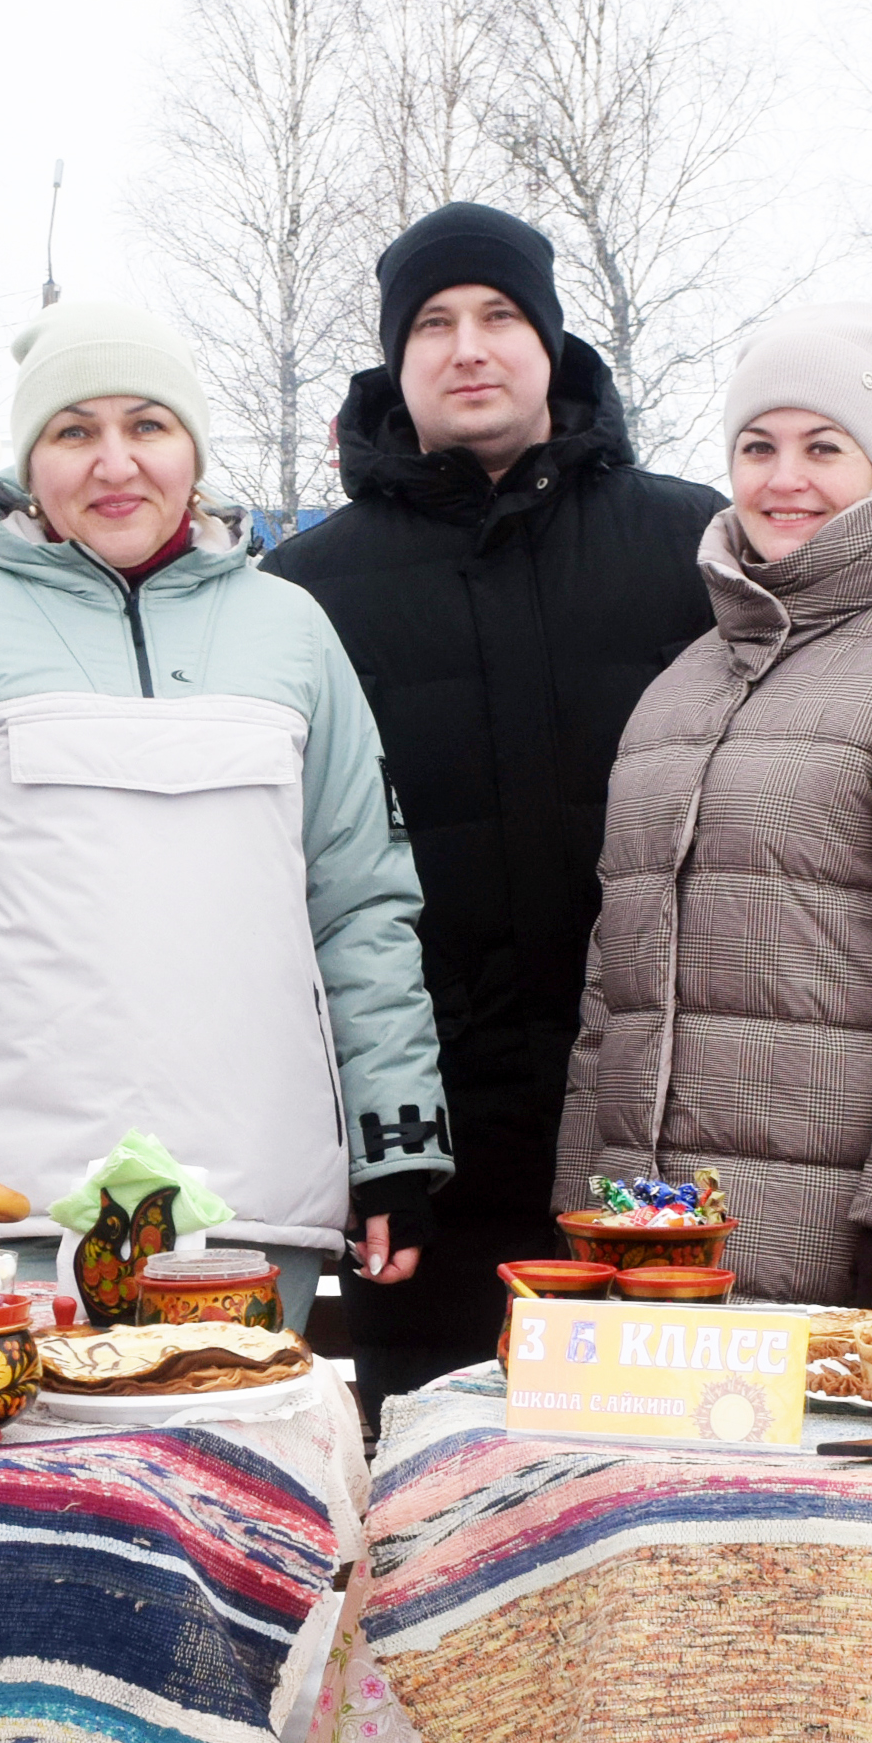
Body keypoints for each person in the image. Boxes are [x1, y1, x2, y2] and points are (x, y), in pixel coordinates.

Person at [0, 297, 451, 1339]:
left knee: (235, 1485)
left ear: (192, 447)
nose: (114, 464)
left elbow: (362, 900)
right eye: (74, 431)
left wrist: (396, 1147)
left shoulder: (292, 632)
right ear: (29, 463)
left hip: (252, 1196)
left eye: (147, 425)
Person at [269, 203, 724, 1401]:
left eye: (499, 315)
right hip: (432, 1147)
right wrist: (373, 1149)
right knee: (432, 1485)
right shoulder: (302, 593)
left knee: (663, 1483)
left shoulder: (692, 546)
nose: (468, 346)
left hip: (658, 1124)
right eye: (432, 324)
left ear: (552, 341)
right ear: (394, 361)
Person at [560, 306, 872, 1302]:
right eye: (759, 446)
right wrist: (582, 1199)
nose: (783, 478)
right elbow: (611, 987)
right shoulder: (682, 689)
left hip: (849, 1271)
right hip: (650, 1265)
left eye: (823, 447)